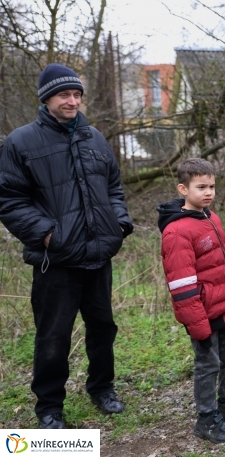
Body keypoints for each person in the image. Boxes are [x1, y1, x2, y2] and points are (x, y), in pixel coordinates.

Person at [0, 63, 133, 429]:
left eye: (76, 95)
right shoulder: (20, 142)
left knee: (103, 327)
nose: (72, 101)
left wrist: (118, 224)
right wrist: (47, 235)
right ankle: (49, 407)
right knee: (53, 336)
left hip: (97, 255)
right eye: (64, 95)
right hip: (55, 261)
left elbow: (113, 188)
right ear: (47, 99)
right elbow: (9, 200)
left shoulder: (95, 138)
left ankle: (102, 388)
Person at [157, 159, 225, 444]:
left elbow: (224, 267)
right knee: (207, 365)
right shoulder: (177, 231)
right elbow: (181, 284)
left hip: (224, 309)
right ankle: (206, 418)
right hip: (202, 315)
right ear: (183, 188)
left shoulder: (211, 219)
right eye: (201, 187)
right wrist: (197, 323)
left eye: (212, 186)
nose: (208, 192)